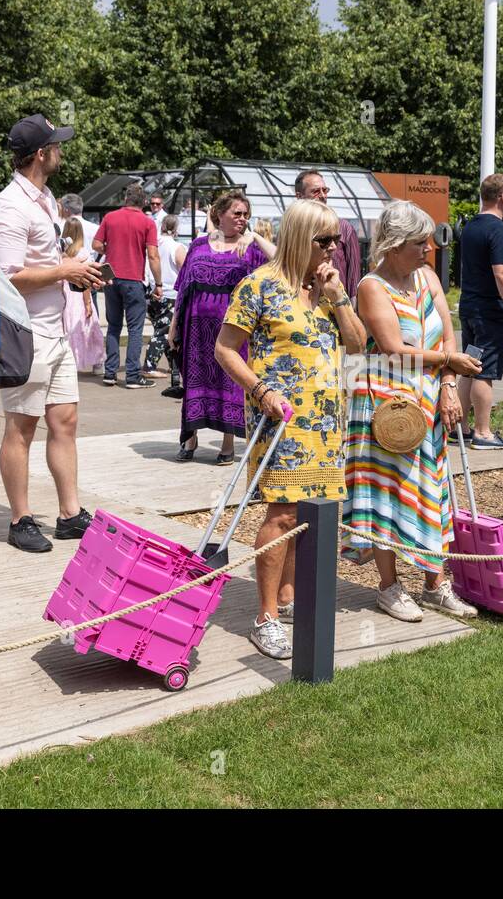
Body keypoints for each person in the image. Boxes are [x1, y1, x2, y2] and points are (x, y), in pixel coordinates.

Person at [215, 199, 366, 659]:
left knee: (311, 518)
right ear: (301, 238)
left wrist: (338, 296)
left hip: (325, 423)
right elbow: (225, 350)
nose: (334, 248)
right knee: (281, 516)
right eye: (325, 240)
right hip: (279, 420)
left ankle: (288, 598)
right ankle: (266, 616)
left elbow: (359, 346)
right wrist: (260, 392)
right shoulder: (259, 286)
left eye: (336, 240)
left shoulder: (327, 289)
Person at [342, 200, 483, 621]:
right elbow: (393, 349)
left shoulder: (426, 278)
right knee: (387, 492)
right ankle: (389, 586)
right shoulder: (372, 286)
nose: (428, 249)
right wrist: (448, 366)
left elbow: (446, 337)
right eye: (420, 242)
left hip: (428, 400)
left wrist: (448, 386)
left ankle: (434, 584)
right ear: (395, 243)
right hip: (388, 407)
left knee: (430, 487)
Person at [0, 113, 106, 553]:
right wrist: (64, 270)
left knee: (65, 421)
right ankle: (20, 520)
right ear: (40, 154)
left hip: (54, 329)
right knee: (21, 428)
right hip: (26, 332)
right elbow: (7, 277)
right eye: (56, 145)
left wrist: (76, 275)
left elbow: (45, 264)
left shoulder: (44, 197)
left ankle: (69, 513)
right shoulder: (10, 206)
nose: (61, 150)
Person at [169, 190, 268, 464]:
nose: (242, 219)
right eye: (236, 213)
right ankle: (190, 438)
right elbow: (183, 289)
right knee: (194, 380)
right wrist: (173, 327)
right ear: (219, 215)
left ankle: (227, 444)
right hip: (195, 329)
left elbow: (279, 264)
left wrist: (255, 237)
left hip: (233, 328)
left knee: (230, 382)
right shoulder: (198, 245)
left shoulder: (251, 248)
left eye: (246, 214)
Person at [456, 174, 503, 449]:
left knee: (469, 367)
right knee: (485, 372)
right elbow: (502, 273)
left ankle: (459, 427)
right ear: (502, 197)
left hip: (470, 307)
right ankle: (483, 433)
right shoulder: (498, 230)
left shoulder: (471, 225)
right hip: (489, 313)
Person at [93, 182, 160, 389]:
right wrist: (158, 283)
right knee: (135, 329)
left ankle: (110, 372)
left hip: (111, 278)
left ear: (125, 199)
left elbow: (95, 245)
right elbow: (153, 255)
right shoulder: (148, 223)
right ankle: (132, 375)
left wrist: (111, 248)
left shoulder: (110, 218)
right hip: (133, 279)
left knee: (113, 326)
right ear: (144, 202)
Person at [294, 170, 362, 300]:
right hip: (298, 301)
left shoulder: (344, 228)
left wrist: (350, 310)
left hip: (335, 305)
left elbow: (353, 279)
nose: (323, 195)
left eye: (325, 190)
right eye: (316, 191)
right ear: (299, 196)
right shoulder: (292, 230)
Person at [144, 214, 186, 382]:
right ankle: (149, 366)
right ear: (176, 230)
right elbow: (185, 269)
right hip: (170, 294)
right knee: (163, 332)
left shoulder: (154, 245)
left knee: (164, 329)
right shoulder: (177, 247)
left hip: (153, 291)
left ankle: (174, 364)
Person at [61, 218, 104, 375]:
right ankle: (97, 363)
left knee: (68, 328)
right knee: (88, 327)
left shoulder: (61, 254)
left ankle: (70, 361)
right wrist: (87, 303)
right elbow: (85, 282)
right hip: (79, 295)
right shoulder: (84, 254)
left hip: (65, 294)